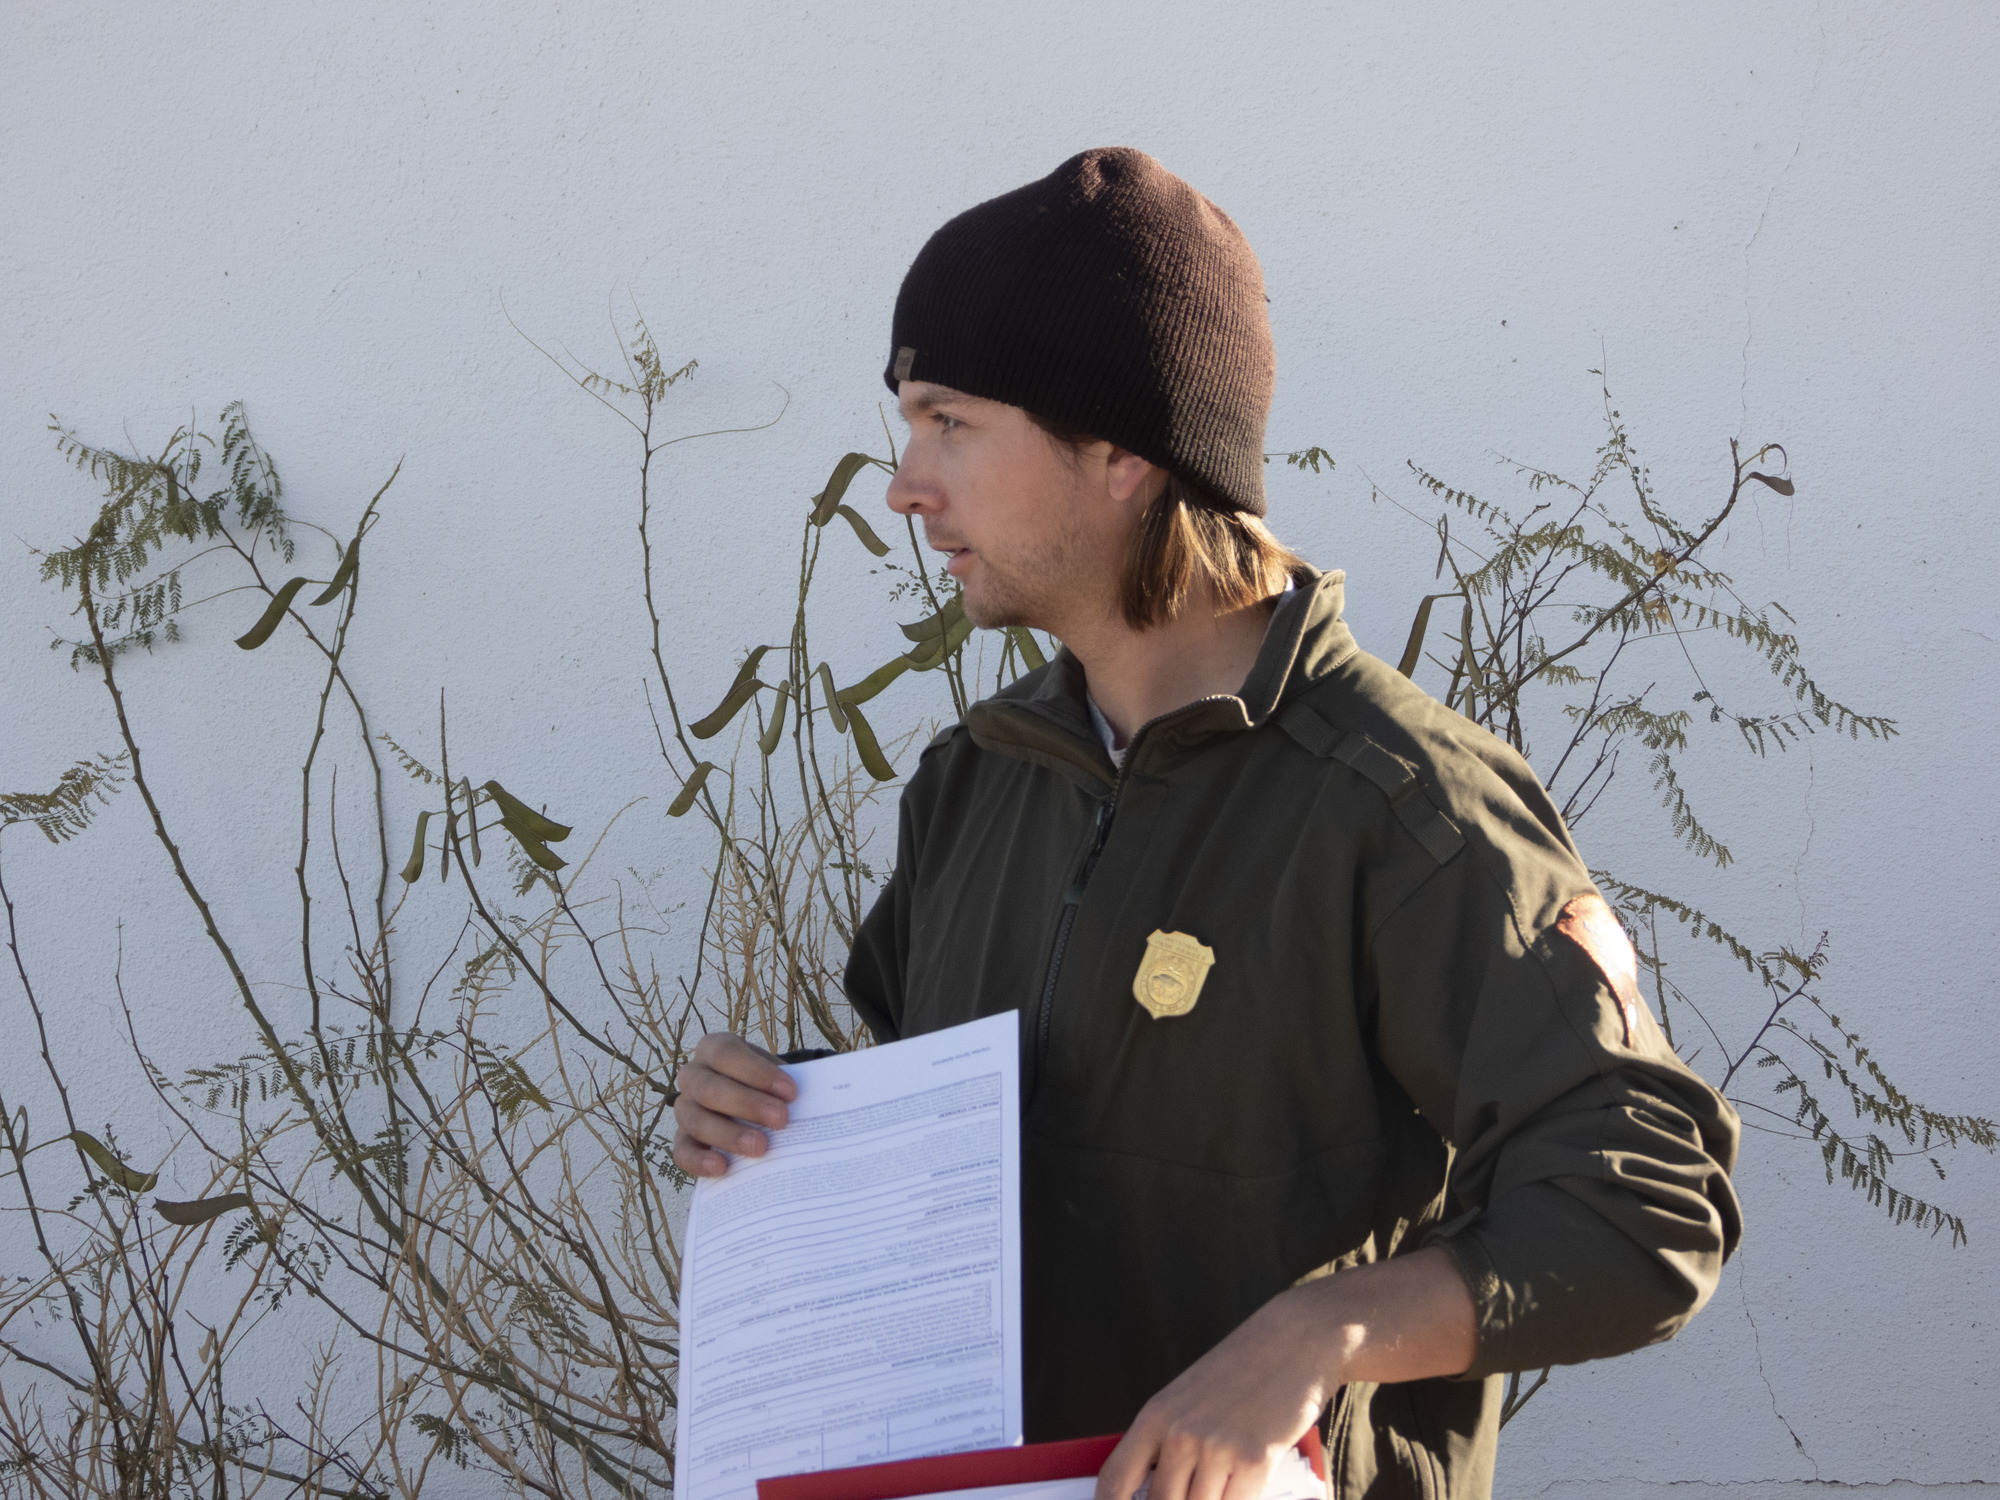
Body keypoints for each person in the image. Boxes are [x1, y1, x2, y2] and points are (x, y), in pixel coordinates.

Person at [673, 147, 1742, 1500]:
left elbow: (1644, 1205)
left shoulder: (1405, 808)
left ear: (1123, 452)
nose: (904, 483)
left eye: (950, 421)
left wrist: (1322, 1333)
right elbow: (975, 1182)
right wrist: (774, 1123)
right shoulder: (976, 783)